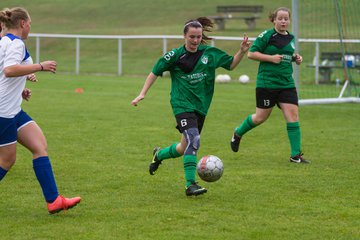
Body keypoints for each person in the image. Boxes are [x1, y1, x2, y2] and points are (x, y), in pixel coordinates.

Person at [132, 17, 251, 196]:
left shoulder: (209, 54)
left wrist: (241, 51)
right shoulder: (174, 56)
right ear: (184, 36)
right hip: (181, 104)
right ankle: (190, 185)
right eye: (192, 37)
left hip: (201, 106)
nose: (195, 41)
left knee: (183, 147)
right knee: (194, 140)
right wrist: (142, 93)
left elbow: (231, 65)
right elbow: (154, 72)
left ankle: (159, 154)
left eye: (198, 37)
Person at [0, 7, 81, 214]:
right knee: (7, 160)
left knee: (39, 145)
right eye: (30, 24)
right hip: (3, 113)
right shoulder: (16, 43)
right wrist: (40, 66)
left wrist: (20, 90)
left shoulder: (4, 42)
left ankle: (54, 200)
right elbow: (9, 70)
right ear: (22, 24)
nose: (30, 28)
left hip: (13, 109)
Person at [230, 7, 310, 164]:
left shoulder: (291, 38)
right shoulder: (266, 35)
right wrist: (271, 58)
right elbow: (252, 54)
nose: (283, 21)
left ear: (289, 21)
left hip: (286, 83)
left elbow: (286, 55)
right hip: (267, 83)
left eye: (286, 18)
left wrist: (296, 58)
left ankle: (296, 155)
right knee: (260, 118)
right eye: (280, 18)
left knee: (293, 116)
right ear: (274, 20)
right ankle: (238, 133)